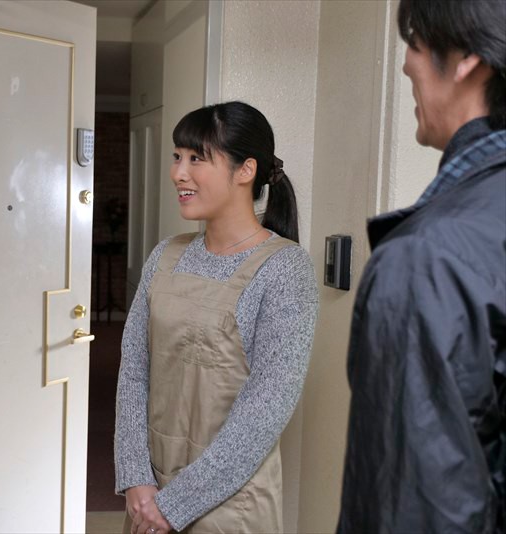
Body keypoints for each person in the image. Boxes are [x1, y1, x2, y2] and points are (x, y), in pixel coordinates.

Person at [338, 0, 506, 532]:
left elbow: (413, 511)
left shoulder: (425, 260)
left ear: (466, 60)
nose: (407, 63)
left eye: (414, 43)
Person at [114, 101, 318, 534]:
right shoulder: (165, 255)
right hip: (149, 493)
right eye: (177, 157)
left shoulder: (284, 269)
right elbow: (133, 370)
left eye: (196, 158)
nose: (178, 173)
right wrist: (135, 479)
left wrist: (174, 506)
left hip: (230, 504)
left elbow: (265, 411)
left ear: (246, 170)